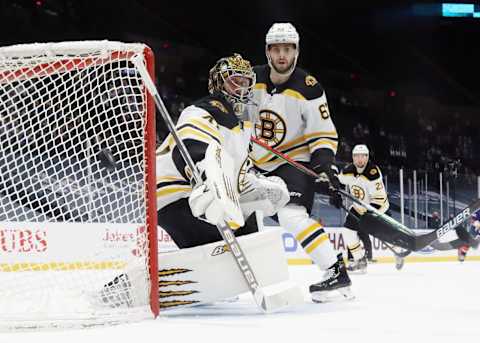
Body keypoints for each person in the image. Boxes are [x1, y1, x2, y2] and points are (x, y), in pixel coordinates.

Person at [247, 22, 352, 302]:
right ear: (268, 51)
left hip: (292, 161)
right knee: (233, 209)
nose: (283, 55)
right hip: (255, 162)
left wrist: (324, 165)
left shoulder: (309, 88)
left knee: (291, 215)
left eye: (288, 49)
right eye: (277, 49)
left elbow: (322, 133)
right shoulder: (251, 79)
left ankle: (336, 274)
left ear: (296, 52)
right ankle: (234, 276)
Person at [156, 53, 290, 248]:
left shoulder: (240, 128)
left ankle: (245, 262)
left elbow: (233, 177)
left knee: (252, 217)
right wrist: (206, 176)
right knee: (221, 241)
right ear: (219, 83)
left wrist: (259, 188)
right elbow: (192, 146)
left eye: (246, 83)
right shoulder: (203, 110)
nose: (242, 89)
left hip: (197, 197)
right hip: (177, 196)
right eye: (235, 82)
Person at [338, 144, 389, 273]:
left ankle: (398, 249)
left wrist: (369, 215)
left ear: (367, 158)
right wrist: (328, 176)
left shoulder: (373, 172)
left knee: (382, 232)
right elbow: (338, 180)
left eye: (363, 156)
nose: (360, 159)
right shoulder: (348, 170)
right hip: (359, 207)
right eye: (357, 156)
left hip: (378, 207)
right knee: (347, 231)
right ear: (353, 158)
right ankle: (359, 260)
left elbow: (379, 198)